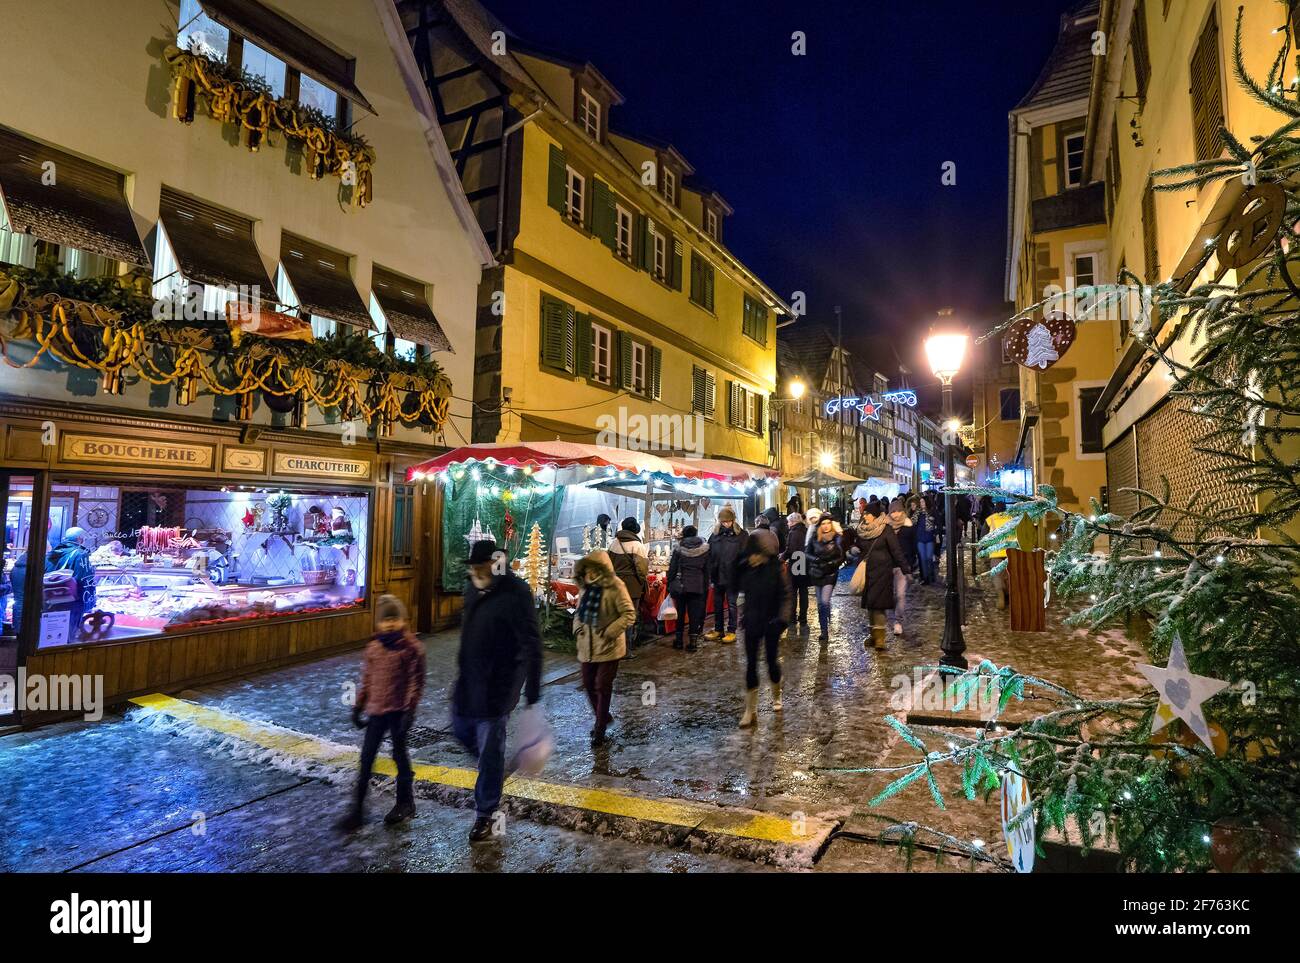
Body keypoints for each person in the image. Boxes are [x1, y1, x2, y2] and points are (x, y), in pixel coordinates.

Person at [453, 539, 543, 843]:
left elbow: (532, 641)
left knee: (490, 746)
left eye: (481, 566)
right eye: (474, 567)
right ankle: (493, 768)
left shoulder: (516, 592)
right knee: (463, 732)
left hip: (499, 685)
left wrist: (532, 688)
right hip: (468, 682)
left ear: (495, 564)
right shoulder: (473, 587)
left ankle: (486, 814)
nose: (476, 571)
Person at [338, 595, 426, 832]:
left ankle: (405, 802)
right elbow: (367, 680)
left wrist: (410, 710)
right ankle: (357, 810)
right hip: (376, 711)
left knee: (400, 756)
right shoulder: (374, 648)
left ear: (402, 620)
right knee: (366, 759)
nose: (389, 624)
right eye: (385, 619)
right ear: (378, 623)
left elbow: (415, 682)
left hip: (398, 712)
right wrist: (358, 706)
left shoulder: (411, 649)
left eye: (394, 619)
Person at [572, 549, 635, 746]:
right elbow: (578, 612)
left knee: (602, 685)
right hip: (586, 645)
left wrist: (610, 632)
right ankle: (604, 716)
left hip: (608, 646)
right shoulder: (585, 586)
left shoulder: (616, 586)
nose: (590, 572)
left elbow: (629, 614)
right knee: (588, 684)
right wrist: (576, 628)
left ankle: (599, 728)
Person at [736, 528, 793, 727]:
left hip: (772, 622)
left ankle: (777, 695)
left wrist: (782, 620)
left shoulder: (777, 570)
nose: (753, 559)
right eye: (750, 556)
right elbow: (739, 592)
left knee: (771, 661)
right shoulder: (745, 569)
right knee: (751, 664)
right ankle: (750, 711)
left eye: (756, 555)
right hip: (752, 621)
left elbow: (786, 596)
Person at [856, 509, 911, 649]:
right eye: (864, 514)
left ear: (875, 516)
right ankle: (873, 635)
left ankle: (880, 639)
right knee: (870, 605)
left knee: (879, 605)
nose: (865, 516)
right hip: (868, 572)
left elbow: (896, 550)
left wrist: (905, 569)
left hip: (883, 572)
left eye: (868, 514)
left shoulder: (886, 530)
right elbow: (861, 548)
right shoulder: (864, 530)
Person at [45, 527, 95, 644]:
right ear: (80, 539)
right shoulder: (80, 554)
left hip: (51, 598)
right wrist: (88, 602)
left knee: (52, 635)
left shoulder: (52, 553)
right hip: (71, 601)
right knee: (68, 636)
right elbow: (84, 579)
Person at [607, 516, 648, 648]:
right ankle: (626, 648)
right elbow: (642, 570)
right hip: (632, 586)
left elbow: (607, 564)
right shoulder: (637, 546)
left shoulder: (614, 543)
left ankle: (614, 645)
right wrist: (642, 583)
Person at [667, 525, 709, 651]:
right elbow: (707, 570)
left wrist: (670, 583)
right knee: (694, 614)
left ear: (684, 535)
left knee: (680, 614)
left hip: (681, 586)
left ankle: (679, 641)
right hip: (697, 585)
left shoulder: (678, 549)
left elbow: (672, 568)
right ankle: (693, 643)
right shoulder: (705, 549)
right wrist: (706, 585)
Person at [705, 506, 743, 642]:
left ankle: (731, 630)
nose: (726, 524)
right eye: (724, 522)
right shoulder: (715, 535)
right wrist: (709, 571)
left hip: (733, 576)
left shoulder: (741, 535)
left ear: (733, 520)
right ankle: (718, 629)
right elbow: (708, 553)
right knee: (718, 604)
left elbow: (745, 556)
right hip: (717, 575)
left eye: (729, 521)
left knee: (732, 604)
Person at [806, 516, 844, 642]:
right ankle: (823, 630)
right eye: (823, 523)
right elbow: (806, 553)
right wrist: (816, 560)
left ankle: (825, 629)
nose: (826, 525)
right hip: (817, 573)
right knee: (819, 603)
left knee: (824, 601)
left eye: (828, 523)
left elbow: (841, 557)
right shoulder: (814, 537)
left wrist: (831, 564)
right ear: (820, 525)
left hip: (830, 574)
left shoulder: (837, 537)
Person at [885, 497, 915, 636]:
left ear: (902, 511)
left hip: (902, 566)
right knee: (889, 595)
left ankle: (898, 621)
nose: (896, 514)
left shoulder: (908, 527)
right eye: (893, 511)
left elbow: (912, 547)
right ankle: (889, 618)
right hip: (887, 566)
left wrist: (910, 565)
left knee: (901, 595)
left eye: (898, 511)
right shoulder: (885, 527)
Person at [984, 500, 1015, 609]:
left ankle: (1001, 594)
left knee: (997, 574)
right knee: (1010, 574)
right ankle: (1010, 594)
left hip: (996, 552)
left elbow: (984, 537)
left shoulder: (990, 519)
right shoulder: (1012, 519)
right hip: (1011, 551)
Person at [783, 511, 809, 629]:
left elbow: (790, 550)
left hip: (796, 563)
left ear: (793, 522)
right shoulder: (805, 530)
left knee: (793, 591)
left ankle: (792, 617)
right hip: (804, 562)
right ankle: (803, 618)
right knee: (803, 591)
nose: (788, 524)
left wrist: (782, 557)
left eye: (788, 521)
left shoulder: (793, 533)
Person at [914, 498, 938, 584]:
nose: (921, 503)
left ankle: (931, 575)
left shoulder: (931, 511)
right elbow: (913, 522)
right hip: (920, 538)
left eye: (923, 501)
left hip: (929, 538)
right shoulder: (918, 513)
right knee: (923, 559)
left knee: (929, 558)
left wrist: (936, 532)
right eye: (920, 502)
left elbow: (937, 522)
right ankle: (926, 578)